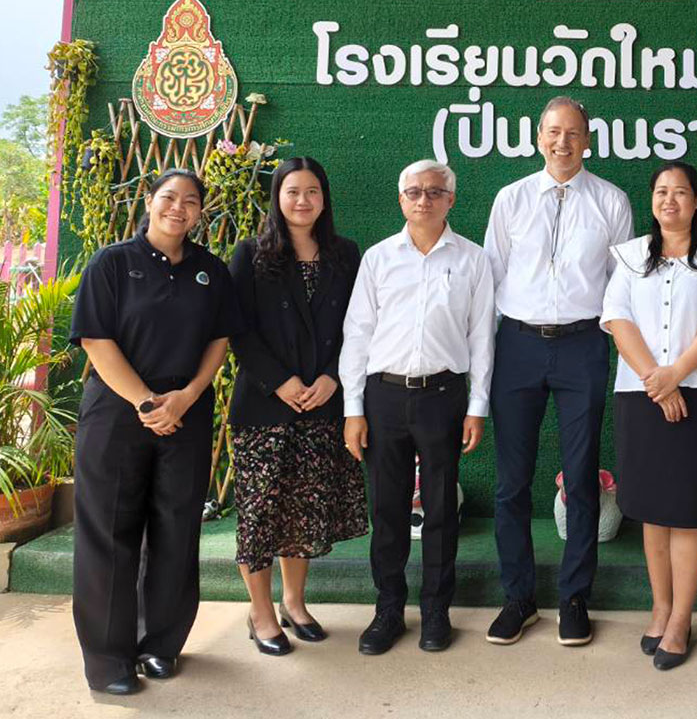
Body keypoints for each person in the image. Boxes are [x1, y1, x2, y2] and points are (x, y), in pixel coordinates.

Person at [70, 169, 239, 694]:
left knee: (176, 530)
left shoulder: (211, 270)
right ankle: (108, 661)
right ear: (149, 202)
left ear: (200, 212)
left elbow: (219, 340)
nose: (178, 208)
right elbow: (95, 340)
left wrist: (187, 395)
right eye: (169, 197)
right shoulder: (112, 262)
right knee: (109, 534)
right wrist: (145, 401)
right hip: (118, 414)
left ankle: (161, 645)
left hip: (185, 414)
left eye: (190, 201)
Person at [483, 96, 632, 647]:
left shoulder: (612, 201)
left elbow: (620, 284)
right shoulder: (511, 198)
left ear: (587, 141)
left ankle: (574, 598)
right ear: (538, 137)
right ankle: (518, 598)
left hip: (583, 344)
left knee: (582, 475)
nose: (562, 142)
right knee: (511, 482)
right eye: (553, 132)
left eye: (572, 133)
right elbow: (492, 275)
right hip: (517, 344)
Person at [340, 160, 494, 655]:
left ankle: (435, 612)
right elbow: (357, 333)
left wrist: (477, 405)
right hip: (383, 396)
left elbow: (482, 337)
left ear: (451, 200)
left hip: (443, 396)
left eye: (434, 192)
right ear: (400, 199)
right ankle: (388, 610)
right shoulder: (379, 259)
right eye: (414, 192)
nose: (423, 200)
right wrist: (353, 408)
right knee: (387, 509)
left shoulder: (473, 260)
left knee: (441, 509)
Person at [602, 162, 697, 671]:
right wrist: (656, 381)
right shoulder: (630, 257)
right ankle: (660, 609)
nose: (670, 200)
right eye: (662, 191)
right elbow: (617, 319)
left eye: (681, 192)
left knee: (689, 509)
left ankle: (682, 619)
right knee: (653, 509)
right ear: (652, 200)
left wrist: (676, 375)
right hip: (640, 394)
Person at [228, 157, 367, 656]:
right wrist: (280, 382)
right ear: (277, 198)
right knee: (260, 512)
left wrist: (333, 377)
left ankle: (294, 602)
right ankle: (261, 612)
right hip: (265, 406)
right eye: (292, 191)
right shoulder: (251, 253)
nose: (302, 200)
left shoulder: (345, 254)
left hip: (323, 402)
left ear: (324, 199)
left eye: (312, 191)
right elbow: (238, 329)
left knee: (303, 511)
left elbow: (359, 323)